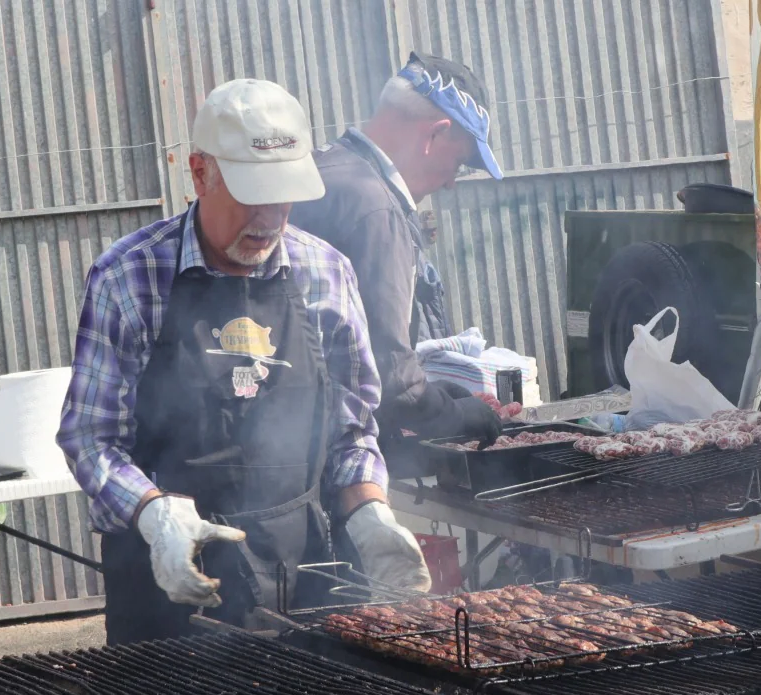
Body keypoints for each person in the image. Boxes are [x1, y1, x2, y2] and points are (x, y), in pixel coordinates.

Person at [58, 79, 430, 645]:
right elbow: (91, 437)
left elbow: (349, 432)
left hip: (299, 581)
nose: (268, 217)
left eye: (282, 196)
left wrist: (370, 511)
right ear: (200, 173)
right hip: (163, 593)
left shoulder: (326, 273)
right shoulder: (129, 277)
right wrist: (154, 514)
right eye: (252, 193)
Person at [292, 52, 506, 454]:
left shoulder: (322, 168)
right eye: (459, 164)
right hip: (328, 460)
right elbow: (389, 377)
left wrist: (429, 391)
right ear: (435, 135)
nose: (450, 185)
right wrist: (453, 416)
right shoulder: (374, 207)